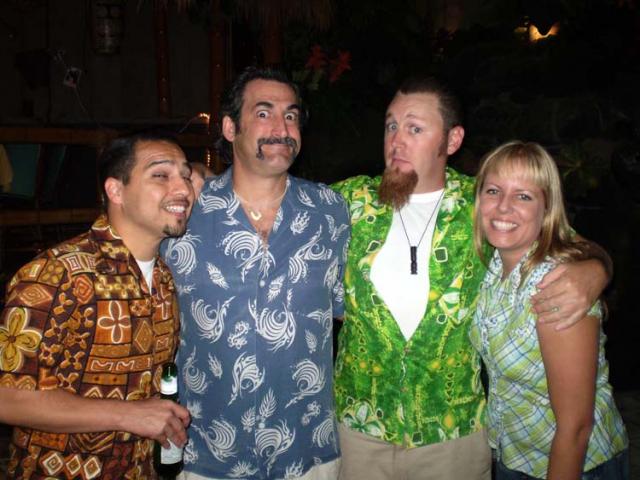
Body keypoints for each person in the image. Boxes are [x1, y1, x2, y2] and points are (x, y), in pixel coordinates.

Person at [331, 76, 611, 479]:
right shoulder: (348, 201)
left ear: (452, 139)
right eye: (391, 125)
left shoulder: (485, 204)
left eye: (414, 128)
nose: (396, 140)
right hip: (359, 431)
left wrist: (597, 269)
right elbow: (278, 202)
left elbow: (566, 241)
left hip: (453, 435)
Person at [162, 67, 350, 479]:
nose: (282, 129)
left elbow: (345, 309)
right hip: (208, 450)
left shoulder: (331, 211)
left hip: (308, 449)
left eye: (291, 115)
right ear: (230, 128)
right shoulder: (183, 211)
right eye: (264, 113)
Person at [0, 132, 193, 479]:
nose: (184, 189)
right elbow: (7, 398)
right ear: (115, 191)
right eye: (161, 175)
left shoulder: (164, 279)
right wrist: (128, 414)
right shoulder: (56, 275)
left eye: (186, 176)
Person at [469, 141, 628, 480]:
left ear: (547, 209)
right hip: (514, 455)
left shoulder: (557, 286)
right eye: (493, 191)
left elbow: (576, 427)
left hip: (574, 464)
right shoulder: (495, 267)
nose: (503, 206)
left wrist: (598, 268)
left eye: (523, 196)